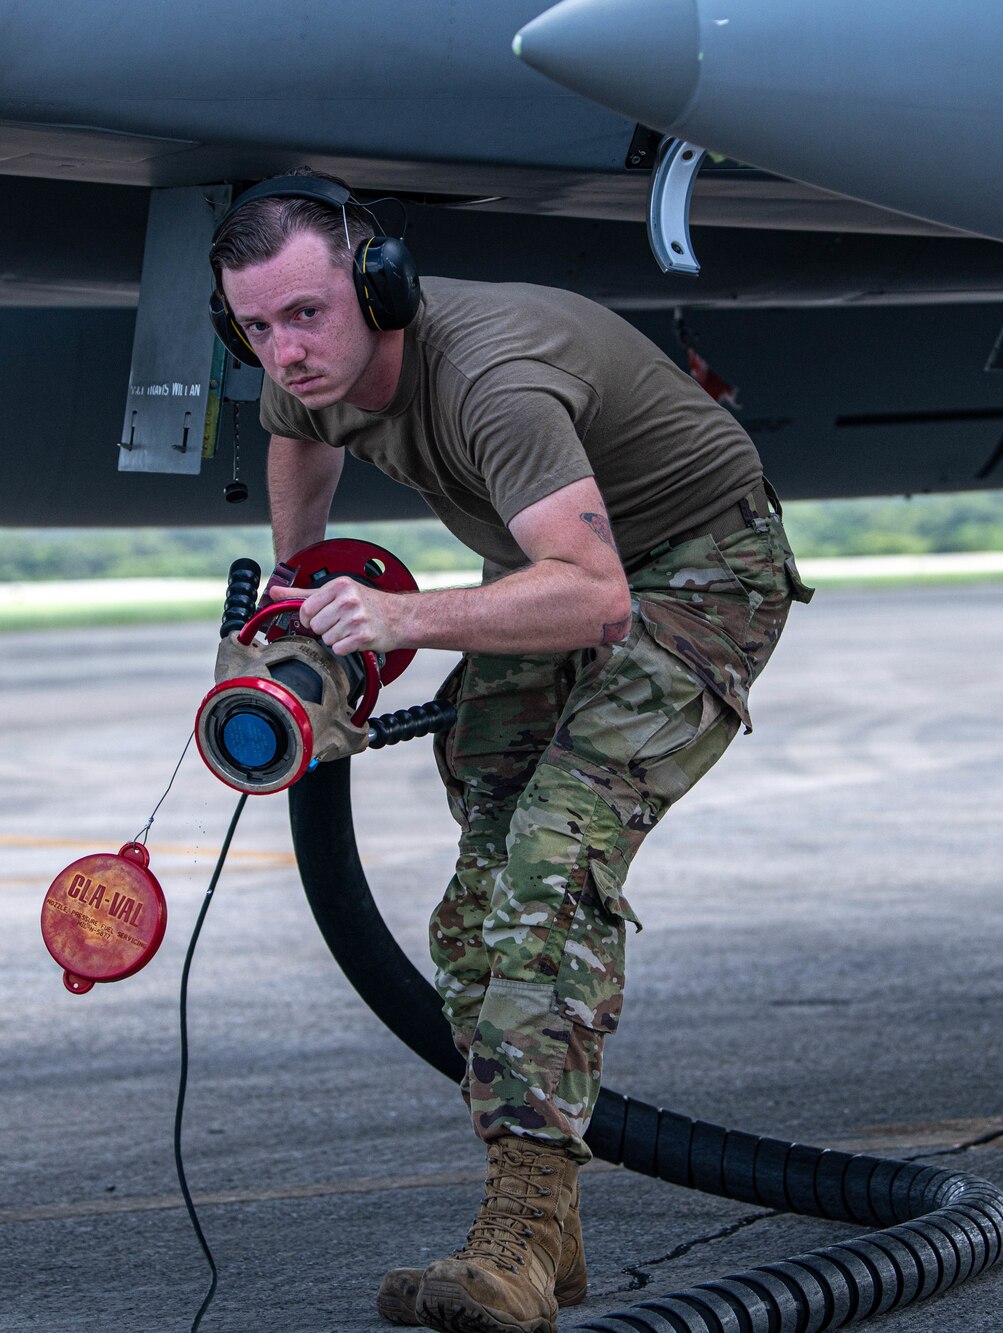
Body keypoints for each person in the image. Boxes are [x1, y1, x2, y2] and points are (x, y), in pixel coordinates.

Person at [210, 172, 810, 1333]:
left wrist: (398, 619)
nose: (283, 351)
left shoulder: (489, 380)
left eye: (305, 315)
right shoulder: (304, 372)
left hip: (689, 570)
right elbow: (296, 441)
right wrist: (295, 596)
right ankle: (550, 1234)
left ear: (379, 286)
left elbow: (592, 598)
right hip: (538, 573)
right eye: (255, 327)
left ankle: (520, 1236)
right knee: (475, 899)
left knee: (547, 865)